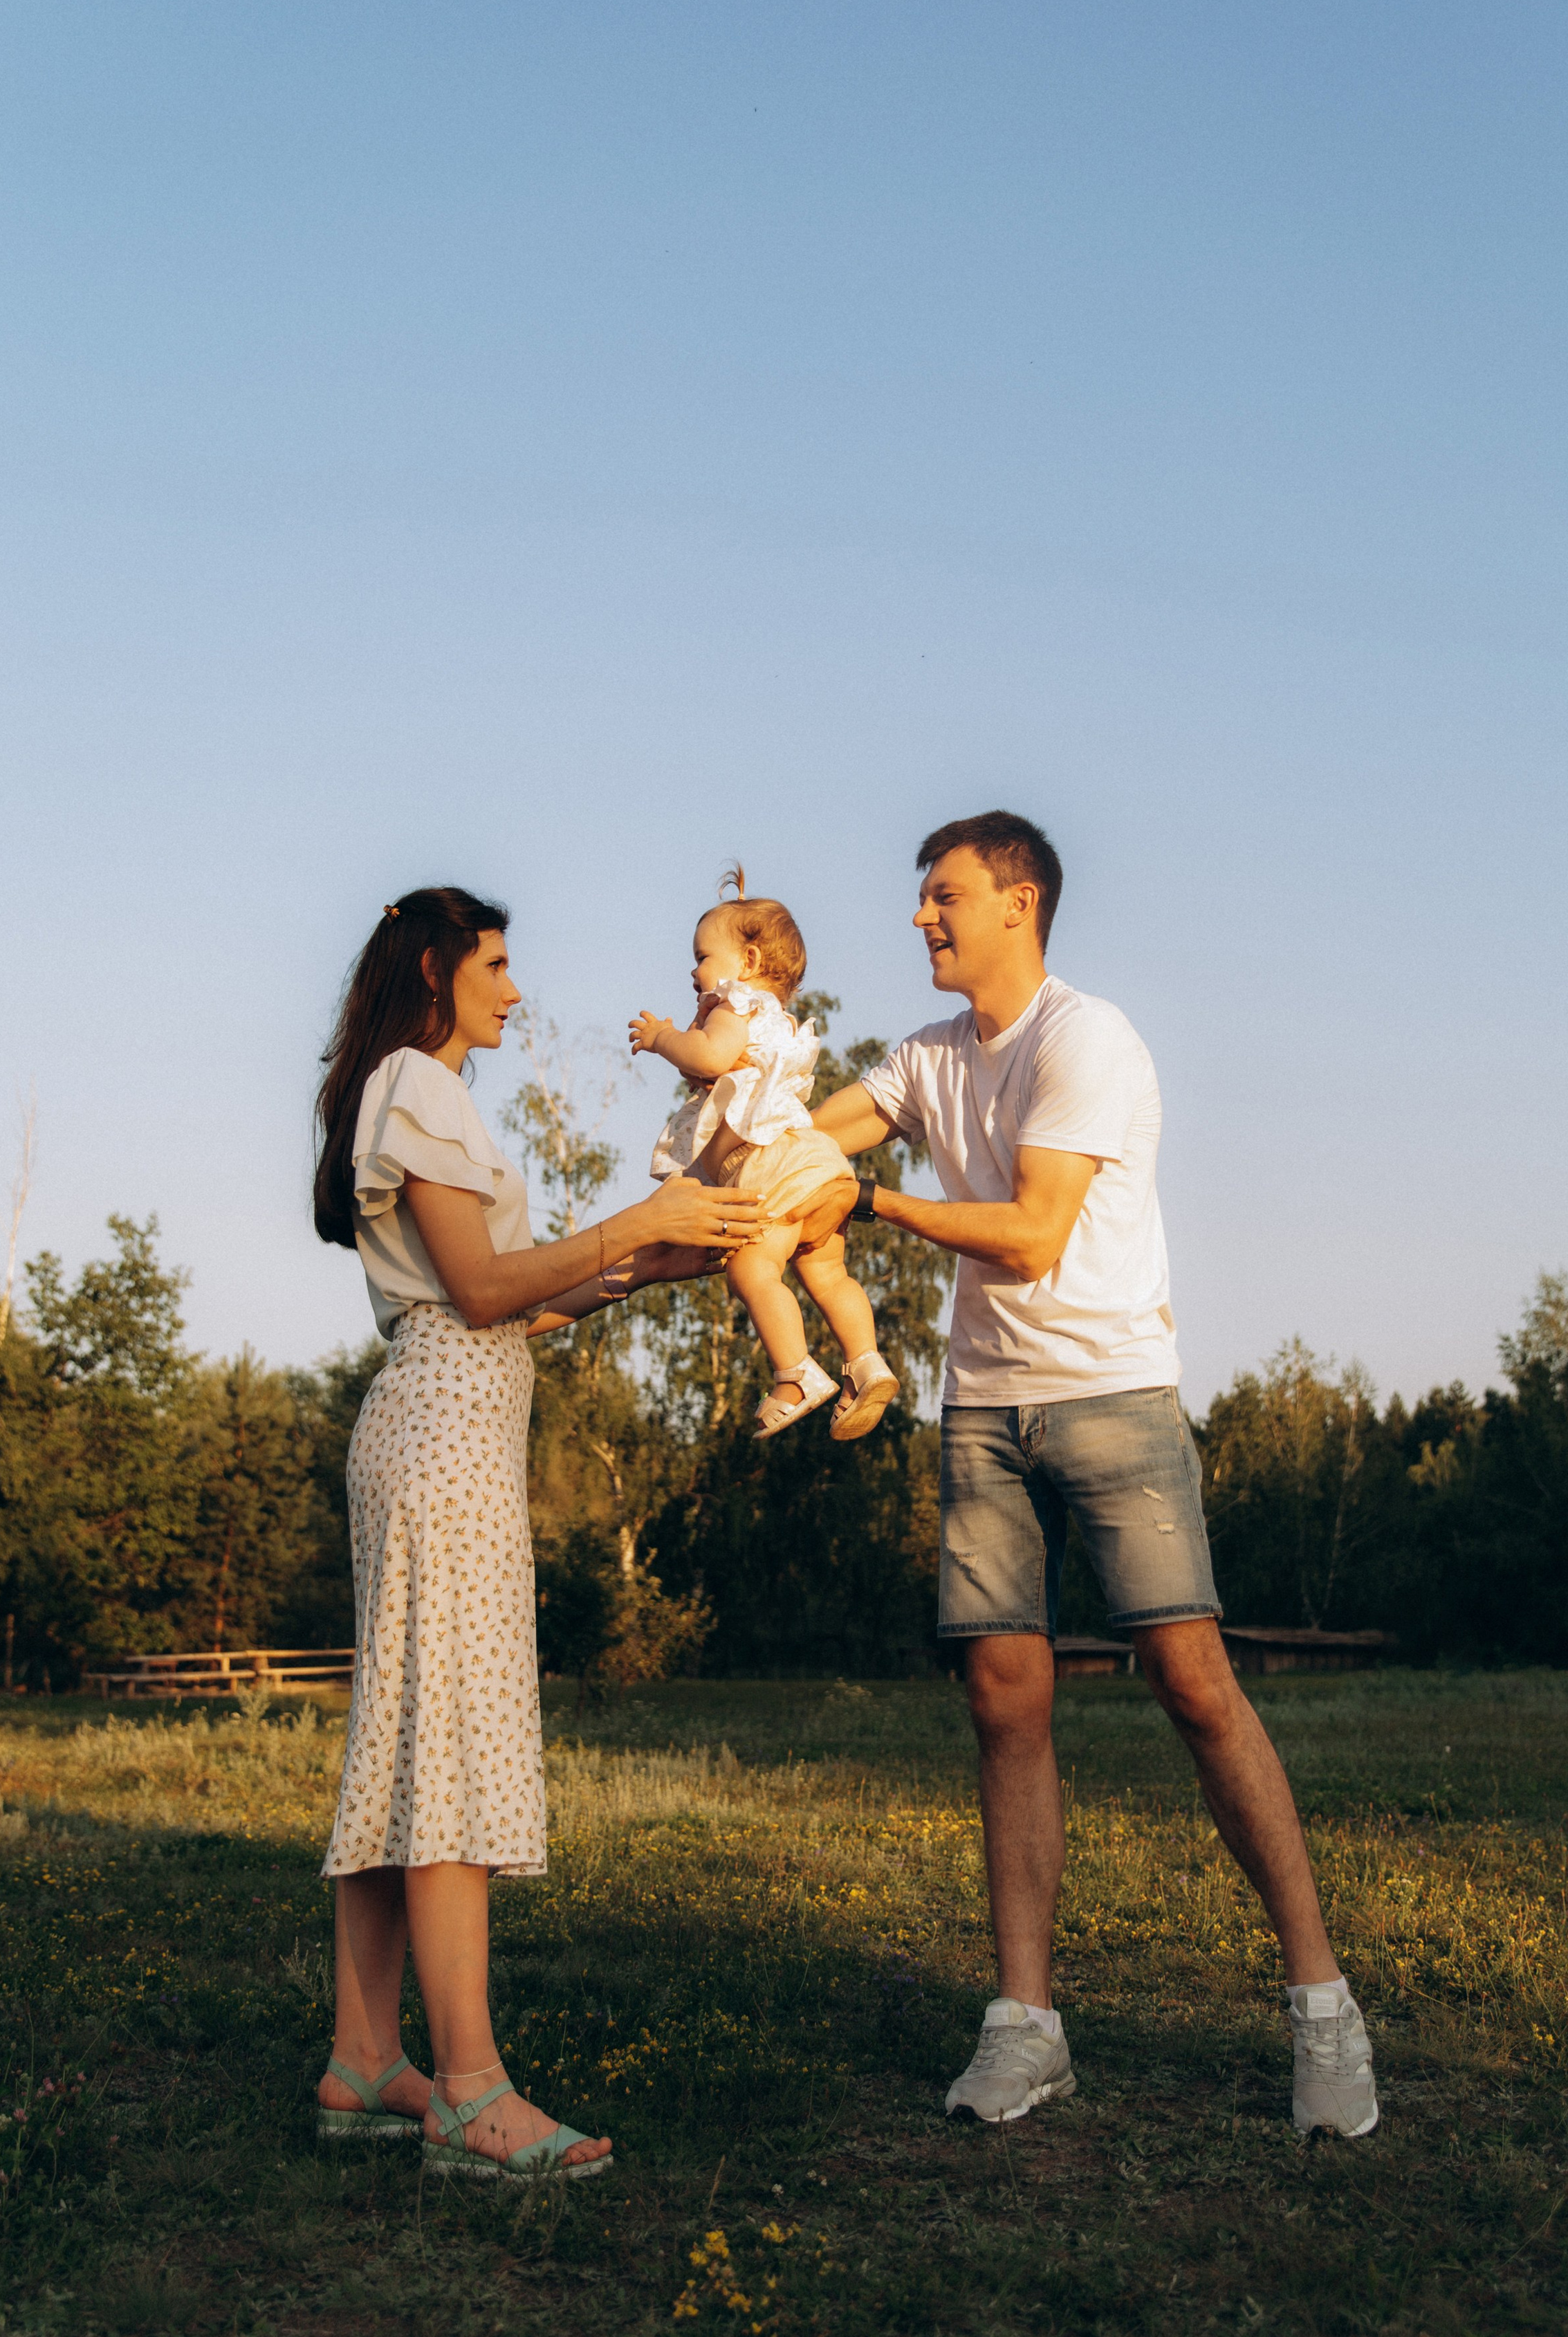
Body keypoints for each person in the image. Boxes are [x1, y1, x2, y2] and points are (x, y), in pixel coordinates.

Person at [811, 813, 1378, 2139]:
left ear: (1018, 903)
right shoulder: (925, 1057)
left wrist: (872, 1202)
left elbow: (1030, 1234)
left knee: (1192, 1680)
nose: (920, 917)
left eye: (943, 895)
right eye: (920, 899)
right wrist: (731, 1078)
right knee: (1004, 1700)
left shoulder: (1087, 1039)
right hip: (984, 1407)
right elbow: (802, 1138)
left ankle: (1324, 2007)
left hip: (1113, 1394)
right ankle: (1027, 2028)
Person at [309, 886, 764, 2178]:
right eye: (497, 965)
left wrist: (666, 1252)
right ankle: (468, 2090)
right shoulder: (417, 1083)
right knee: (447, 1745)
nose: (515, 991)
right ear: (435, 969)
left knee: (407, 1740)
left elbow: (523, 1299)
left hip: (446, 1420)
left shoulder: (419, 1092)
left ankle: (362, 2061)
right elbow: (479, 1289)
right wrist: (640, 1223)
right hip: (442, 1434)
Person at [630, 872, 898, 1442]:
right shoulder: (776, 1020)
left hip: (771, 1169)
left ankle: (794, 1375)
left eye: (702, 957)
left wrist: (662, 1039)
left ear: (747, 961)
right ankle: (867, 1362)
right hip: (819, 1164)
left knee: (752, 1269)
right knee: (827, 1272)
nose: (694, 972)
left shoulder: (734, 1004)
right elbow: (725, 1073)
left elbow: (709, 1056)